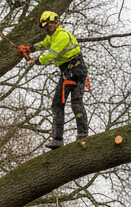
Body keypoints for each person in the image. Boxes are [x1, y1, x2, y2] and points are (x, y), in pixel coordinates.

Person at [18, 11, 88, 148]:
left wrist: (34, 61)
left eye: (48, 26)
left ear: (55, 23)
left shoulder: (62, 36)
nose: (47, 29)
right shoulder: (53, 36)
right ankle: (62, 139)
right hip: (69, 71)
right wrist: (30, 48)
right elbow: (44, 44)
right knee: (63, 103)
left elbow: (50, 55)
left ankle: (79, 135)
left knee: (70, 102)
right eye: (45, 27)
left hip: (75, 70)